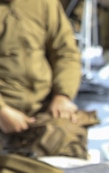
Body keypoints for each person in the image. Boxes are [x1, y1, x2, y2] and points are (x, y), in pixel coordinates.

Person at [0, 0, 88, 157]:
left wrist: (62, 95)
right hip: (5, 108)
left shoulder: (44, 3)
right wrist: (2, 111)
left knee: (67, 144)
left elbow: (66, 53)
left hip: (42, 109)